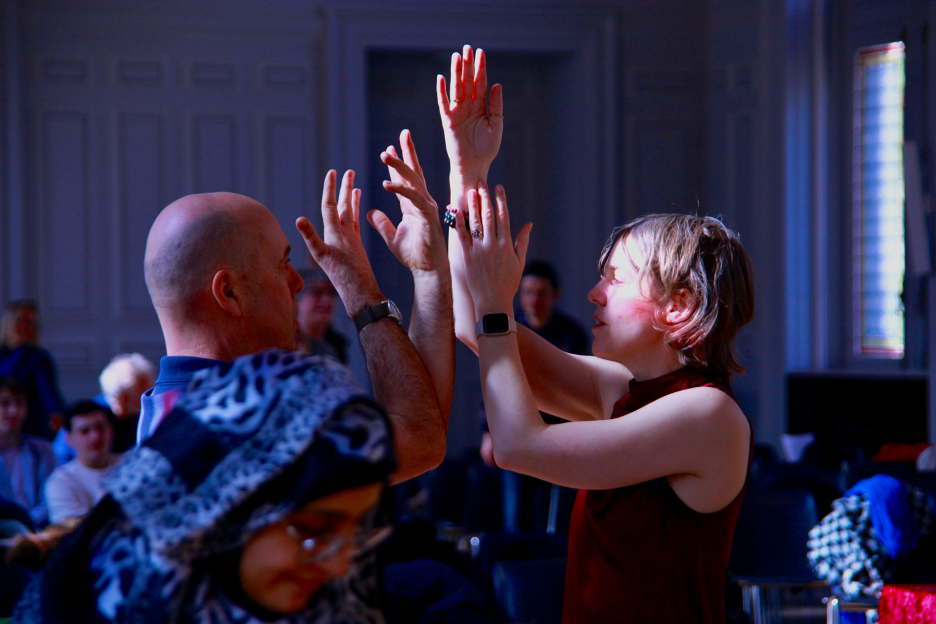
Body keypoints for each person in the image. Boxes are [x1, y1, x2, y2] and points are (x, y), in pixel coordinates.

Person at [440, 46, 755, 623]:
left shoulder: (708, 416)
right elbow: (472, 326)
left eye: (614, 278)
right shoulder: (621, 391)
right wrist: (469, 173)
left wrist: (494, 303)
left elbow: (517, 447)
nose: (594, 293)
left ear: (679, 306)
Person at [138, 134, 452, 487]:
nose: (297, 283)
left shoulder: (167, 408)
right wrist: (359, 291)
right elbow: (419, 439)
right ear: (229, 292)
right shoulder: (244, 421)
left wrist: (427, 273)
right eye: (282, 263)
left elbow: (421, 429)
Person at [12, 349, 397, 622]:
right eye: (312, 528)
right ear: (222, 508)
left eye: (361, 529)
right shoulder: (94, 605)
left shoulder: (329, 600)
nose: (341, 563)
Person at [479, 260, 589, 531]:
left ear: (555, 295)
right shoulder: (507, 327)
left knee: (552, 517)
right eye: (528, 292)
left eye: (541, 293)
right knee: (515, 514)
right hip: (515, 430)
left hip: (558, 434)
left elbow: (582, 388)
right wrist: (487, 432)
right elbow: (492, 382)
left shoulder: (571, 333)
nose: (534, 300)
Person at [52, 353, 155, 464]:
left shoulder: (139, 414)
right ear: (121, 397)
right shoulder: (87, 417)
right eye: (141, 395)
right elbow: (61, 456)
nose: (147, 400)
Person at [44, 401, 120, 524]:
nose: (96, 436)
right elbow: (77, 532)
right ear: (68, 439)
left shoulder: (131, 464)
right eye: (85, 431)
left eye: (100, 427)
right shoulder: (60, 482)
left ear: (111, 430)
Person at [0, 301, 65, 440]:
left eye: (30, 322)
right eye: (20, 320)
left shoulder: (39, 357)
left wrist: (57, 415)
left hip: (31, 422)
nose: (25, 326)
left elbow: (48, 391)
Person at [0, 378, 57, 529]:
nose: (14, 411)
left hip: (35, 533)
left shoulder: (42, 450)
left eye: (19, 403)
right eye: (5, 404)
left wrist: (22, 525)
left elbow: (49, 502)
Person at [295, 265, 349, 364]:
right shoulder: (284, 345)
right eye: (317, 292)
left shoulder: (336, 347)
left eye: (331, 293)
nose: (327, 300)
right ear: (297, 300)